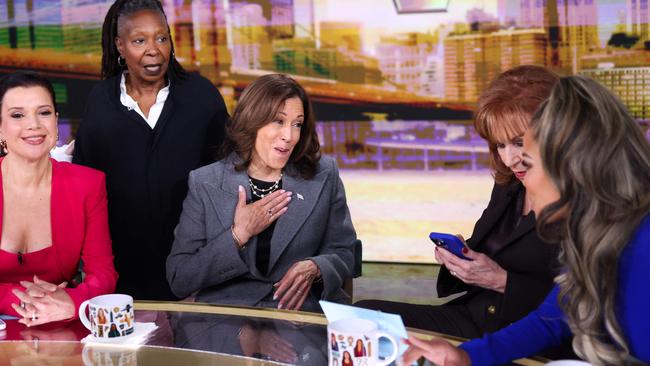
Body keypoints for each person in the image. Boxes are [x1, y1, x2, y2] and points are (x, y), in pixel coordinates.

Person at [401, 76, 650, 365]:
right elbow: (555, 316)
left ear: (570, 166)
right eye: (500, 146)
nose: (513, 166)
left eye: (527, 161)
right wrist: (467, 357)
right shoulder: (599, 234)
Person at [356, 66, 560, 338]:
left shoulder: (586, 201)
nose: (509, 159)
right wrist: (460, 262)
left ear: (557, 130)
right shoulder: (509, 186)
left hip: (529, 335)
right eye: (500, 145)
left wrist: (502, 282)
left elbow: (589, 305)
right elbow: (483, 261)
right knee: (362, 317)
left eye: (518, 142)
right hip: (473, 318)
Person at [73, 0, 228, 300]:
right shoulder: (100, 102)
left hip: (195, 276)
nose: (154, 49)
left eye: (161, 37)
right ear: (120, 45)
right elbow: (86, 186)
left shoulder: (202, 97)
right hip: (124, 278)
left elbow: (230, 176)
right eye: (139, 40)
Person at [166, 74, 356, 312]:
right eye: (278, 121)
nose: (289, 136)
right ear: (252, 121)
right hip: (228, 319)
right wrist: (238, 235)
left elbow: (345, 252)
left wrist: (315, 267)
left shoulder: (324, 173)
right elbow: (180, 278)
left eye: (297, 124)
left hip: (300, 317)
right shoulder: (205, 182)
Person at [0, 72, 117, 326]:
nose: (34, 125)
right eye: (17, 115)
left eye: (43, 112)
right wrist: (15, 298)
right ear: (0, 127)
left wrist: (73, 302)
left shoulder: (89, 184)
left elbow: (103, 274)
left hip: (58, 327)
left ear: (55, 121)